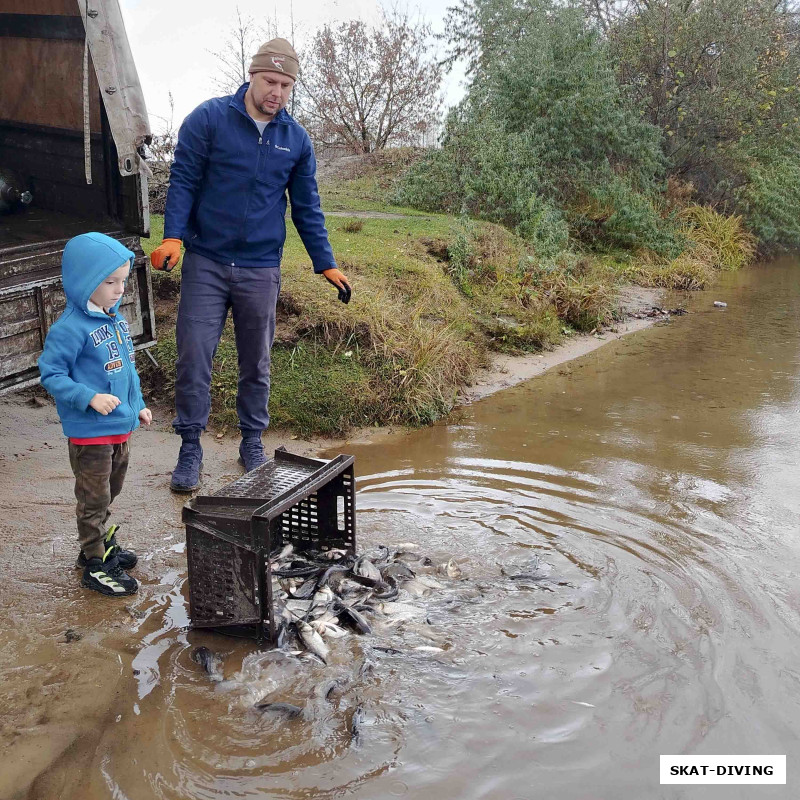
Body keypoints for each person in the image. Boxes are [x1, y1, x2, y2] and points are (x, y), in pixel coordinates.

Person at [149, 37, 351, 492]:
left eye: (285, 84)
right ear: (252, 75)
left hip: (261, 266)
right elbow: (182, 180)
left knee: (256, 361)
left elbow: (307, 206)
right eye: (269, 80)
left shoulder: (295, 139)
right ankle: (190, 448)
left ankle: (252, 442)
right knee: (194, 354)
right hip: (207, 260)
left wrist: (325, 263)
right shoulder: (208, 119)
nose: (276, 91)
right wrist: (173, 236)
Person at [38, 233, 152, 597]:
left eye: (123, 280)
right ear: (85, 280)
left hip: (120, 429)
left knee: (110, 490)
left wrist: (139, 406)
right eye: (109, 282)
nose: (119, 289)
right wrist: (88, 397)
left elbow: (127, 373)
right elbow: (51, 374)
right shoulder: (69, 328)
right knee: (93, 498)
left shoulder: (113, 320)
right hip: (91, 435)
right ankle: (94, 561)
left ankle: (99, 541)